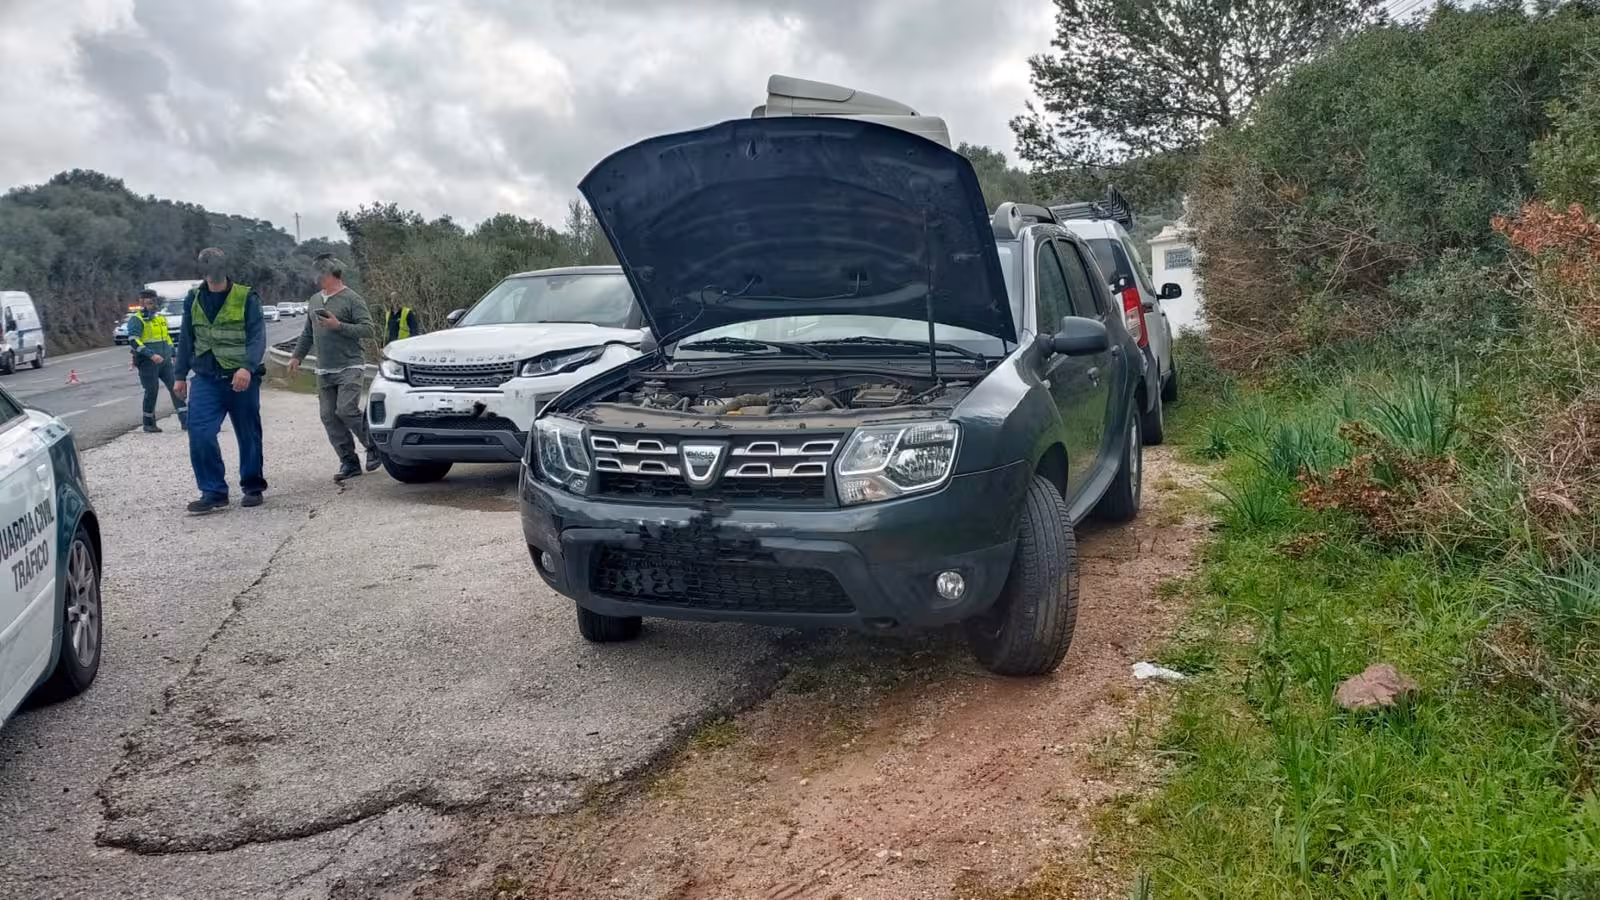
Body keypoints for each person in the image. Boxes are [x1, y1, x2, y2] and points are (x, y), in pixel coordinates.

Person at [174, 248, 269, 514]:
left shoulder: (246, 296)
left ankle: (252, 486)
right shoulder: (193, 298)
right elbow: (186, 338)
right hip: (206, 377)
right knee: (200, 433)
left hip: (241, 378)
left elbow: (257, 336)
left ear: (224, 267)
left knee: (248, 434)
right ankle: (213, 491)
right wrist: (180, 375)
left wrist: (247, 367)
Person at [287, 254, 380, 481]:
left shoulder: (352, 299)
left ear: (331, 275)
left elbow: (368, 329)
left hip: (350, 363)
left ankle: (374, 446)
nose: (316, 279)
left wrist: (338, 326)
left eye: (320, 274)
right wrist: (297, 356)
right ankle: (348, 461)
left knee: (346, 409)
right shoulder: (315, 300)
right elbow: (308, 332)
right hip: (324, 368)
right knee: (328, 416)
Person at [127, 289, 188, 433]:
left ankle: (186, 421)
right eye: (150, 302)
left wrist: (173, 354)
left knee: (176, 388)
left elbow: (166, 338)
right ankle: (148, 423)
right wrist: (151, 355)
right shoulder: (137, 319)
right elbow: (133, 341)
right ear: (142, 302)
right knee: (151, 391)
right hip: (148, 363)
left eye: (154, 302)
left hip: (165, 361)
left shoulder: (160, 318)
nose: (154, 305)